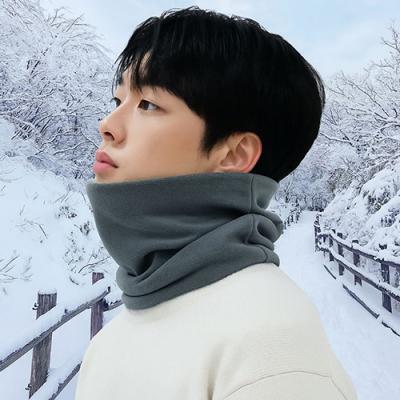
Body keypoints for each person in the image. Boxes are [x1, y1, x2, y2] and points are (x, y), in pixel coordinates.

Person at [74, 6, 357, 400]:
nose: (107, 125)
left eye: (148, 104)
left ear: (235, 154)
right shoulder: (115, 335)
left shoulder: (274, 354)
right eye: (117, 99)